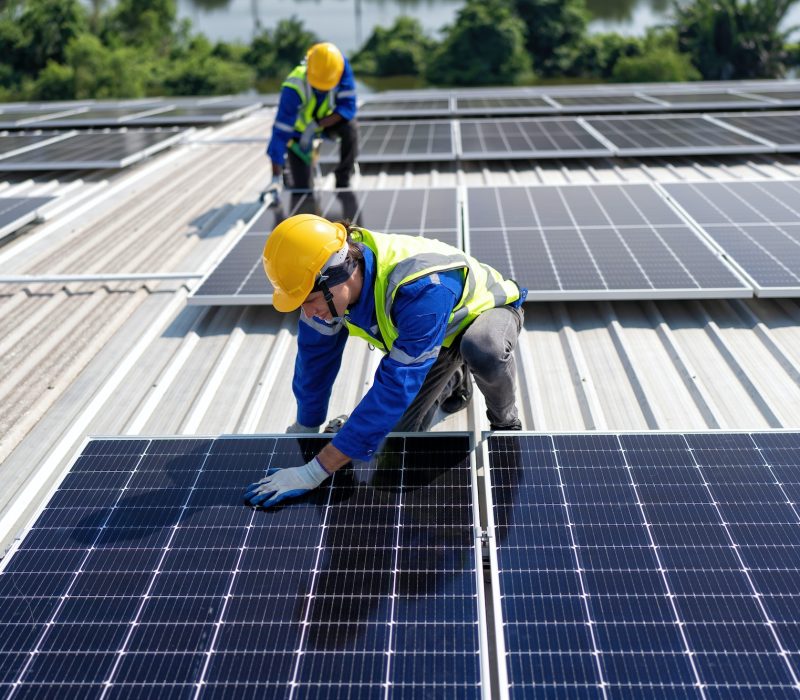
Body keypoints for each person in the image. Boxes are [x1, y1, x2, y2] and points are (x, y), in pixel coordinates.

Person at [244, 214, 527, 509]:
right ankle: (454, 379)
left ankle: (506, 422)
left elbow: (394, 385)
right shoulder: (324, 294)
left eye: (309, 300)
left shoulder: (422, 289)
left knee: (483, 348)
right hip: (427, 341)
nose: (308, 312)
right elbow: (314, 363)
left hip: (482, 314)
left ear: (338, 275)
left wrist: (315, 471)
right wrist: (306, 427)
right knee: (398, 439)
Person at [263, 42, 358, 205]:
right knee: (303, 191)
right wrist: (274, 177)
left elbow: (348, 107)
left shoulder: (339, 67)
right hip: (299, 135)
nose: (322, 90)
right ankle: (285, 177)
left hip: (326, 123)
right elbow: (280, 132)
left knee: (350, 127)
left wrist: (316, 125)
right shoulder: (293, 88)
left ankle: (343, 179)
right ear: (308, 69)